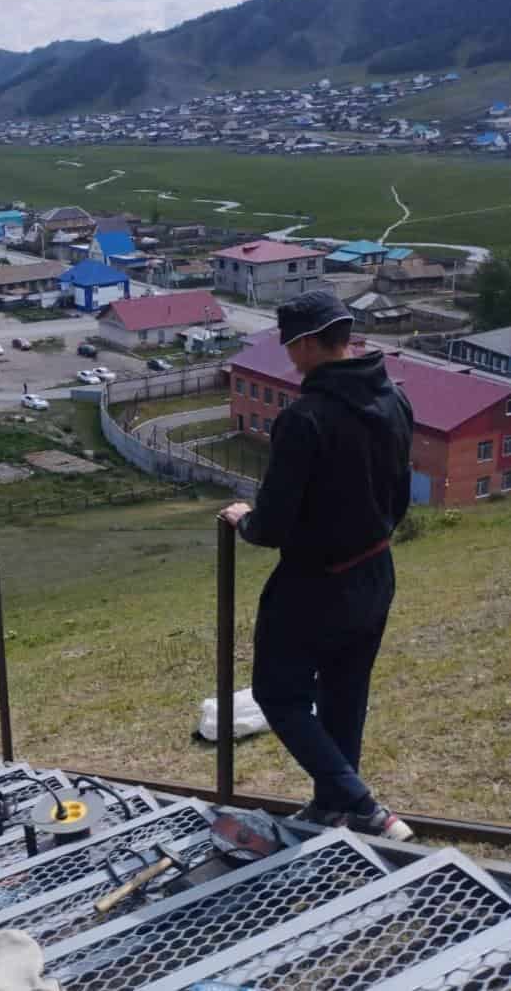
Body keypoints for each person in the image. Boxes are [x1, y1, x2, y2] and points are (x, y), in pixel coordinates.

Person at [220, 290, 414, 841]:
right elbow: (399, 495)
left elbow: (274, 524)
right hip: (376, 571)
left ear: (305, 343)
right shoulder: (394, 399)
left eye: (290, 347)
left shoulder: (305, 418)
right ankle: (333, 807)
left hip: (314, 582)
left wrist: (244, 522)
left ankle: (363, 805)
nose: (290, 358)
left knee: (278, 694)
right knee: (345, 693)